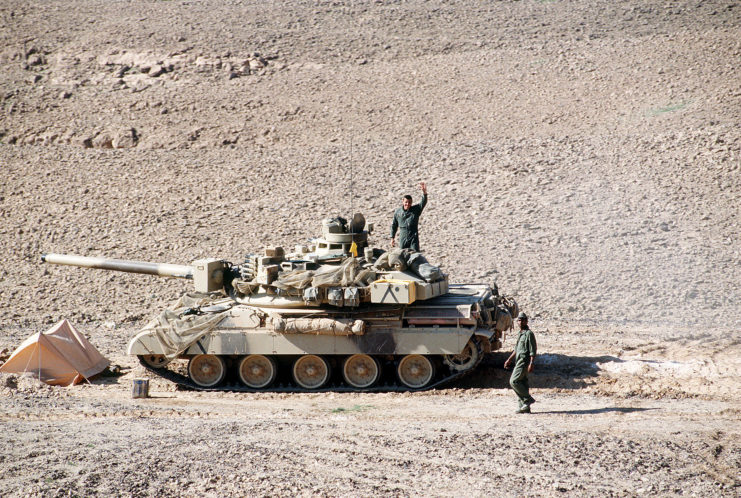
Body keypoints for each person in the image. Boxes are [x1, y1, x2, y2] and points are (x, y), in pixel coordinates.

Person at [503, 312, 537, 413]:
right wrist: (509, 359)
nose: (520, 322)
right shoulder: (520, 334)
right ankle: (524, 407)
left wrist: (531, 363)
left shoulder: (529, 334)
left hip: (524, 361)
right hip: (519, 360)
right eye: (519, 320)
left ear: (526, 321)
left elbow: (533, 350)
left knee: (513, 381)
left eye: (523, 320)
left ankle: (527, 399)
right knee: (522, 382)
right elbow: (516, 349)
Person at [390, 182, 427, 251]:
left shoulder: (415, 210)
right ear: (403, 201)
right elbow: (394, 225)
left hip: (413, 236)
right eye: (406, 202)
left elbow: (423, 202)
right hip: (403, 236)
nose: (408, 204)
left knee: (415, 255)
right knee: (402, 254)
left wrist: (424, 193)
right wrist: (392, 238)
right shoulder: (398, 212)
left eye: (409, 202)